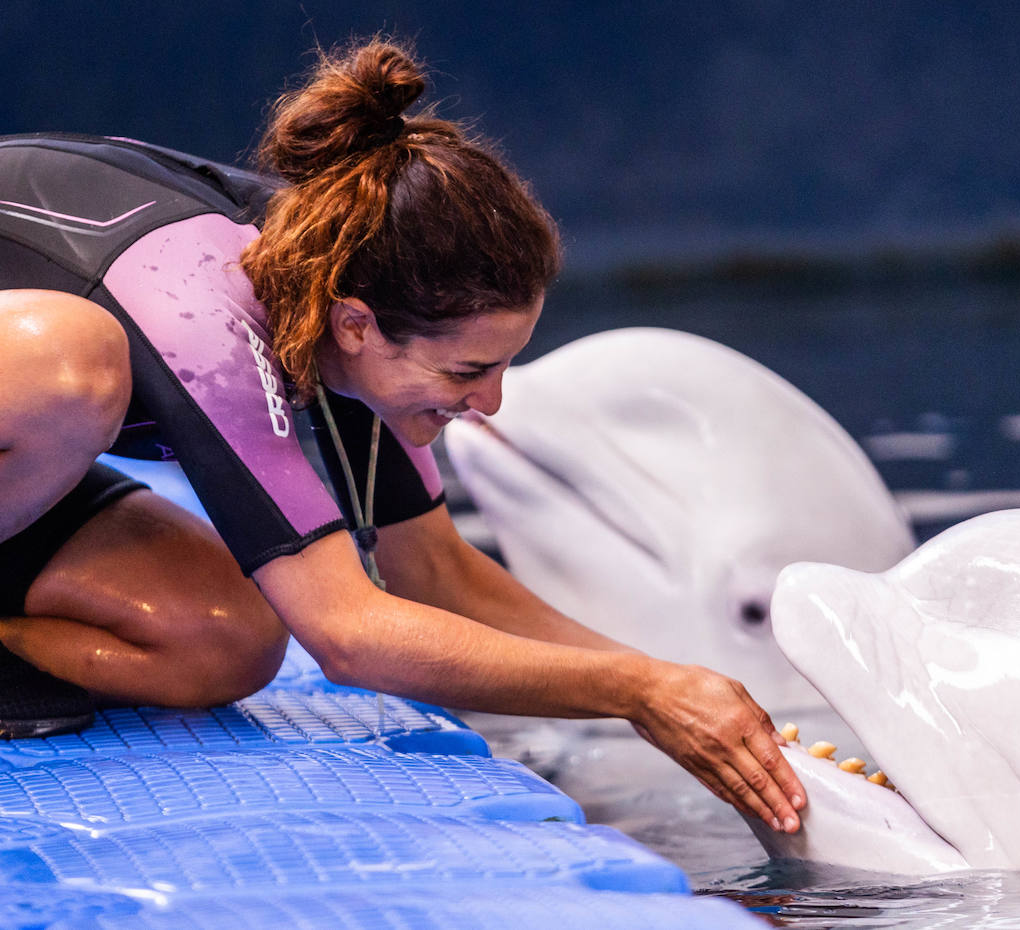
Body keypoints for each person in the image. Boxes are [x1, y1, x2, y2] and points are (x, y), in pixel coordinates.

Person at [0, 38, 805, 835]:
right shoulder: (201, 306)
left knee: (228, 640)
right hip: (48, 379)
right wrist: (636, 692)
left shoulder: (340, 289)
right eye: (466, 372)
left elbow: (436, 575)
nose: (489, 403)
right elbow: (348, 634)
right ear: (358, 327)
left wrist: (669, 681)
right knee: (70, 364)